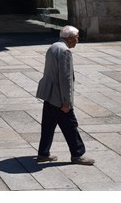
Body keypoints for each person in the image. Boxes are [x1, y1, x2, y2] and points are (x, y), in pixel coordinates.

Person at [35, 26, 94, 165]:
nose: (78, 40)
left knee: (48, 126)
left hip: (48, 94)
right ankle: (77, 154)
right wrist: (66, 102)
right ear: (69, 38)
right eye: (76, 37)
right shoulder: (65, 51)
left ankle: (43, 153)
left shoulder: (53, 47)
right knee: (70, 126)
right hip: (58, 97)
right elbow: (65, 79)